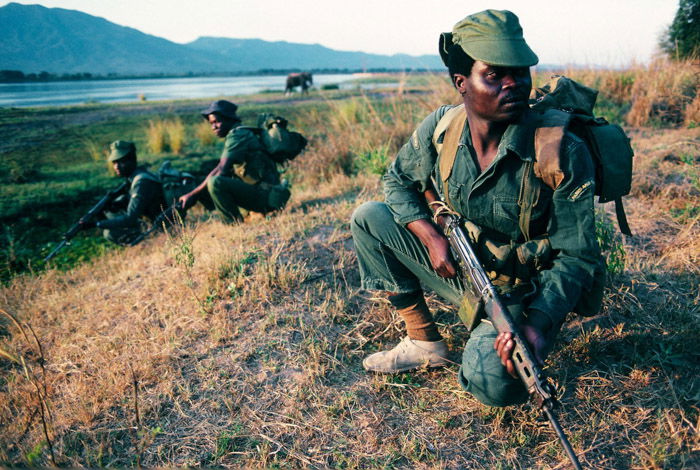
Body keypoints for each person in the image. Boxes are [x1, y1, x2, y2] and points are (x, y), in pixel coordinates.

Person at [350, 9, 600, 407]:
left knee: (496, 383)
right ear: (461, 83)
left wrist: (537, 324)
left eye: (520, 73)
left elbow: (578, 256)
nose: (512, 84)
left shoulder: (560, 151)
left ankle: (508, 335)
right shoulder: (442, 128)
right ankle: (423, 341)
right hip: (461, 266)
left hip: (521, 290)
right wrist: (431, 236)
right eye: (495, 75)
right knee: (369, 217)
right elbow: (398, 181)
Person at [178, 100, 290, 222]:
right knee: (211, 180)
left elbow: (221, 170)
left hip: (266, 197)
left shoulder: (237, 135)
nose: (213, 127)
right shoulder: (241, 132)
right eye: (211, 123)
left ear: (229, 119)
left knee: (216, 182)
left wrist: (193, 195)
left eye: (217, 122)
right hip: (269, 195)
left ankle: (232, 225)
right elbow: (220, 166)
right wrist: (195, 194)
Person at [82, 140, 166, 245]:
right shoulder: (134, 178)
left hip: (160, 227)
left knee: (110, 233)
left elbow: (130, 219)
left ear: (132, 160)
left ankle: (148, 246)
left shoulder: (141, 182)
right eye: (114, 162)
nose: (116, 166)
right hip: (152, 221)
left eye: (121, 161)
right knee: (111, 213)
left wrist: (96, 224)